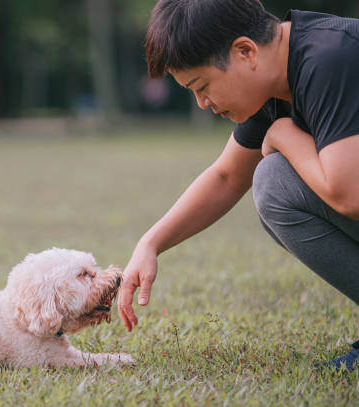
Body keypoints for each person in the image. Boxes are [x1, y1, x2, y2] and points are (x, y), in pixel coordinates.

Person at [118, 0, 359, 370]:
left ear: (245, 52)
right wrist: (150, 244)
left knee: (273, 179)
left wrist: (283, 135)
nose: (201, 103)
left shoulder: (329, 58)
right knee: (275, 182)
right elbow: (227, 176)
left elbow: (350, 194)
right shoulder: (276, 81)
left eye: (203, 86)